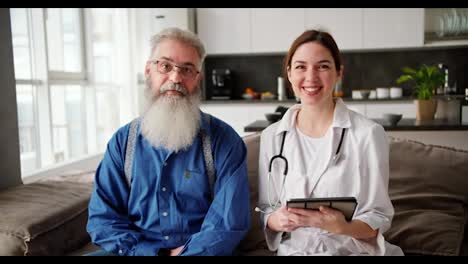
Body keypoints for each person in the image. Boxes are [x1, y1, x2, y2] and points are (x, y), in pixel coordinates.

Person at [86, 27, 250, 256]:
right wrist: (155, 254)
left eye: (187, 69)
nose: (175, 78)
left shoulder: (224, 142)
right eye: (165, 66)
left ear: (197, 78)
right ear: (148, 71)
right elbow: (102, 220)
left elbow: (228, 225)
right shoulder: (123, 143)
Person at [257, 29, 404, 256]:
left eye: (323, 66)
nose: (311, 77)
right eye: (300, 66)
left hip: (352, 249)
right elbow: (267, 210)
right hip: (296, 251)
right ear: (289, 73)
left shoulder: (368, 134)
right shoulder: (272, 137)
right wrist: (278, 220)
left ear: (338, 73)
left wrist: (342, 227)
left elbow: (379, 216)